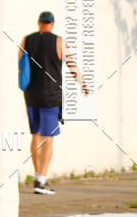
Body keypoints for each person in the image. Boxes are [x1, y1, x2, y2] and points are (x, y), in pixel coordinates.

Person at [19, 11, 88, 195]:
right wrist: (82, 82)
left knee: (35, 135)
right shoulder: (59, 41)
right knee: (48, 138)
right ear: (52, 24)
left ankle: (37, 176)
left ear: (39, 22)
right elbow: (71, 65)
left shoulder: (26, 40)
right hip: (51, 96)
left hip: (31, 95)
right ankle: (40, 181)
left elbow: (20, 65)